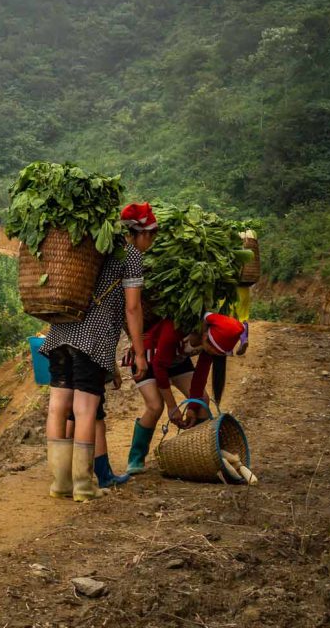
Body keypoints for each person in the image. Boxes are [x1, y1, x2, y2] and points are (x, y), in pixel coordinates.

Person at [41, 202, 154, 502]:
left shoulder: (94, 247)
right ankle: (82, 485)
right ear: (139, 233)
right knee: (85, 409)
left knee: (57, 406)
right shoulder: (129, 256)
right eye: (151, 234)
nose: (151, 242)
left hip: (61, 332)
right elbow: (132, 307)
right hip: (91, 339)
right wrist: (139, 352)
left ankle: (60, 483)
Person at [125, 311, 245, 473]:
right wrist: (172, 407)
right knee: (155, 406)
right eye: (211, 349)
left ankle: (202, 453)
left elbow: (200, 375)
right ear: (206, 336)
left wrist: (192, 408)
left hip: (176, 361)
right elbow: (159, 366)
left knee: (202, 400)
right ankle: (136, 458)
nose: (212, 353)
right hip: (149, 359)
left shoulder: (210, 346)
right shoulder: (175, 329)